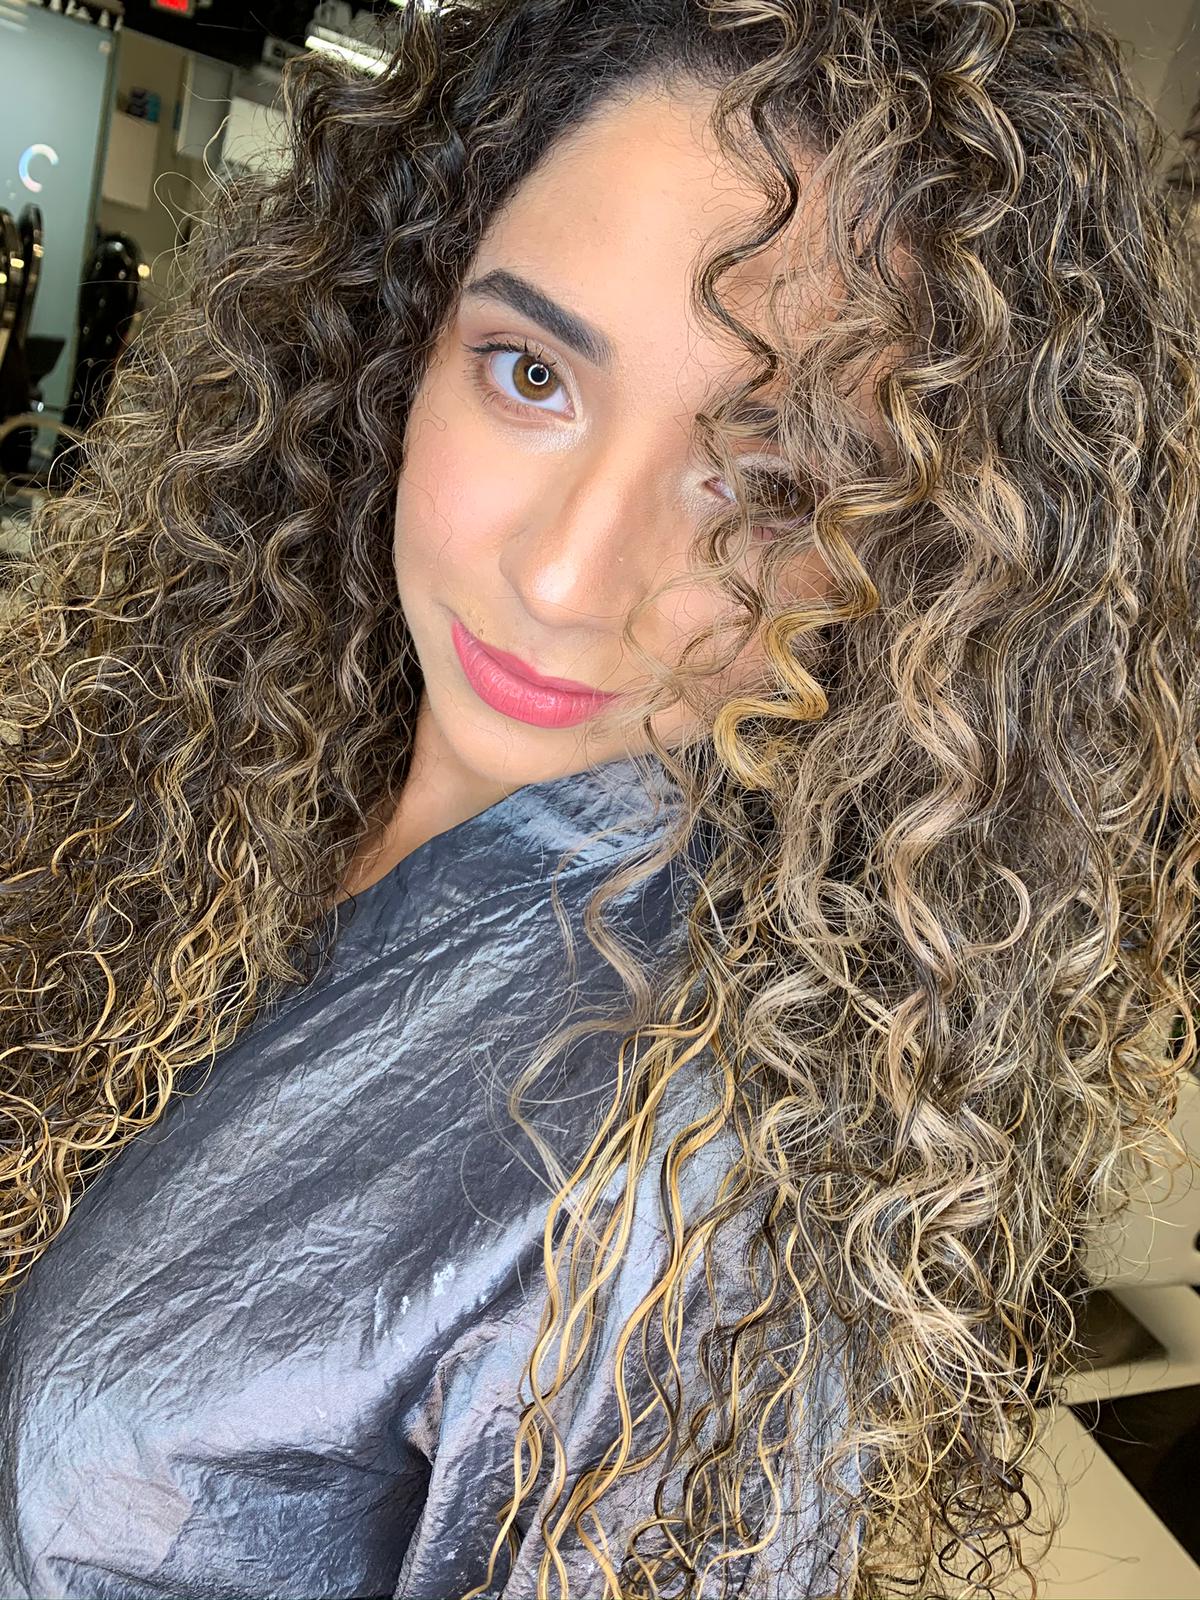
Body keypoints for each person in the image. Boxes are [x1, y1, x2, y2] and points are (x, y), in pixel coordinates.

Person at [0, 0, 1196, 1596]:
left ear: (926, 563)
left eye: (769, 485)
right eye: (528, 371)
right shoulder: (207, 757)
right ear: (389, 347)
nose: (568, 575)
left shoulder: (675, 1203)